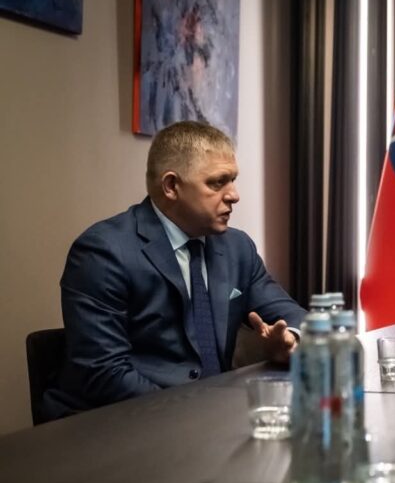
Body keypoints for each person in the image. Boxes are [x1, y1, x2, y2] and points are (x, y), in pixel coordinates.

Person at [44, 121, 306, 420]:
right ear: (171, 186)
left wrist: (291, 339)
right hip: (116, 422)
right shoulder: (103, 252)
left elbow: (293, 315)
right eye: (217, 183)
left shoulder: (237, 248)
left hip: (209, 417)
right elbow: (104, 374)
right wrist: (197, 415)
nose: (234, 195)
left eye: (232, 180)